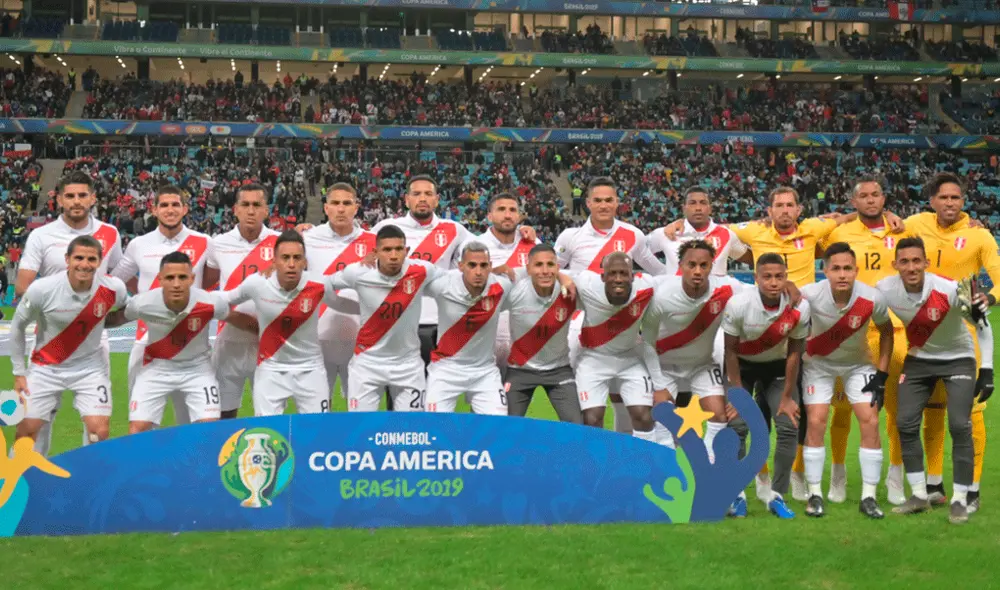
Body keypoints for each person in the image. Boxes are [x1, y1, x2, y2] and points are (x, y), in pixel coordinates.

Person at [900, 172, 1000, 512]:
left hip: (963, 337)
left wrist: (991, 297)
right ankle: (933, 484)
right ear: (932, 201)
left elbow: (998, 278)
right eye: (943, 198)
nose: (950, 203)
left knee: (969, 416)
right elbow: (883, 228)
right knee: (932, 412)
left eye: (956, 198)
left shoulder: (980, 236)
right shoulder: (915, 224)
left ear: (963, 201)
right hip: (924, 336)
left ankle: (971, 489)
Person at [876, 237, 993, 525]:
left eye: (917, 261)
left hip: (959, 359)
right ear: (895, 265)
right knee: (904, 422)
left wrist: (987, 370)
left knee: (959, 424)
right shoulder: (884, 289)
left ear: (927, 263)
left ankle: (959, 500)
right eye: (905, 261)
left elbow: (982, 325)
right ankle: (918, 495)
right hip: (919, 360)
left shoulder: (949, 289)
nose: (911, 267)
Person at [14, 171, 123, 456]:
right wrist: (58, 305)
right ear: (59, 199)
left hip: (93, 347)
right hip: (49, 342)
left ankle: (90, 488)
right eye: (70, 196)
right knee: (35, 424)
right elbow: (23, 286)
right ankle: (29, 485)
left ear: (93, 198)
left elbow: (119, 283)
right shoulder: (42, 235)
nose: (76, 201)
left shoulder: (110, 233)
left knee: (98, 430)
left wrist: (96, 315)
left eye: (82, 195)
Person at [820, 176, 912, 505]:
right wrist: (840, 218)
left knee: (895, 408)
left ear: (884, 198)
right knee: (842, 408)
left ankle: (896, 475)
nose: (871, 200)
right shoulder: (837, 232)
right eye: (864, 196)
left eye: (876, 195)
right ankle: (839, 473)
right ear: (853, 201)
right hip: (851, 330)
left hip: (893, 330)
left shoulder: (903, 230)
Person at [555, 177, 665, 435]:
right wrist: (564, 277)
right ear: (588, 203)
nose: (603, 205)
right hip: (581, 325)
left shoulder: (633, 235)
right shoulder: (571, 236)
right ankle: (579, 453)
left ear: (617, 203)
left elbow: (659, 271)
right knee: (576, 398)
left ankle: (623, 455)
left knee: (622, 398)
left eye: (609, 200)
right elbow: (551, 269)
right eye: (598, 200)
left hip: (623, 322)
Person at [800, 243, 894, 519]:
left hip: (858, 365)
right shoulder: (810, 295)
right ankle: (815, 493)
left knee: (871, 420)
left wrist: (882, 373)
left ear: (856, 270)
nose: (842, 274)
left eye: (848, 269)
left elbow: (887, 333)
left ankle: (868, 496)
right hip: (817, 364)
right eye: (836, 269)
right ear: (825, 271)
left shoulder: (872, 298)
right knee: (816, 420)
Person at [10, 235, 129, 447]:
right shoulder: (42, 289)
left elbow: (127, 310)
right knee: (26, 431)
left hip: (90, 368)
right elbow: (18, 326)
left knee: (99, 432)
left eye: (91, 259)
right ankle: (23, 478)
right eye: (79, 258)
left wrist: (102, 322)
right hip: (45, 367)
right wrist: (19, 372)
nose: (85, 264)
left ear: (100, 262)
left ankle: (90, 477)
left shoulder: (113, 288)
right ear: (67, 259)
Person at [224, 230, 356, 417]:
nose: (291, 264)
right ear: (274, 261)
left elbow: (340, 303)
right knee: (267, 433)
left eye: (297, 258)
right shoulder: (257, 284)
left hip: (311, 370)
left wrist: (373, 309)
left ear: (305, 262)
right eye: (285, 258)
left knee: (316, 432)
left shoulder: (317, 284)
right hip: (271, 370)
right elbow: (225, 299)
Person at [112, 184, 211, 427]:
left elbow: (215, 278)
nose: (170, 210)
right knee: (142, 425)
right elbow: (115, 280)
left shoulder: (205, 242)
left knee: (190, 425)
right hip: (146, 343)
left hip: (191, 344)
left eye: (175, 204)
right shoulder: (139, 245)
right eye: (164, 205)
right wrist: (143, 297)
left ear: (185, 209)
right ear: (154, 210)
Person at [642, 240, 751, 460]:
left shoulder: (727, 289)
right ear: (680, 265)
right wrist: (658, 384)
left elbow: (760, 291)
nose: (698, 271)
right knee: (662, 417)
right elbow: (647, 343)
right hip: (665, 366)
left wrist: (789, 287)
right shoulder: (662, 296)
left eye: (704, 265)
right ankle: (667, 466)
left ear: (713, 266)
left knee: (719, 416)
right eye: (691, 265)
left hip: (702, 365)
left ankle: (708, 465)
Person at [722, 253, 811, 519]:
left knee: (787, 425)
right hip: (743, 367)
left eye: (779, 276)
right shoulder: (738, 304)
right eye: (767, 276)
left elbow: (795, 353)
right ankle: (736, 496)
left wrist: (786, 397)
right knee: (736, 426)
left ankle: (777, 496)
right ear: (756, 278)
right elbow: (730, 352)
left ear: (786, 278)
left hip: (777, 368)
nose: (773, 282)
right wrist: (738, 396)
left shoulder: (799, 307)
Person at [118, 252, 237, 433]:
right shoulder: (143, 303)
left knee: (209, 430)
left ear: (192, 278)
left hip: (198, 369)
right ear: (160, 279)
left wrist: (263, 330)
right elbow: (115, 318)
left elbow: (239, 319)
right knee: (137, 430)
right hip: (156, 368)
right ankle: (152, 462)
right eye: (170, 277)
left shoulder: (210, 302)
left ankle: (197, 461)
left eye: (182, 277)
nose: (176, 284)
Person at [371, 176, 476, 375]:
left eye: (428, 194)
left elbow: (485, 250)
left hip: (437, 322)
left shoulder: (454, 230)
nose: (422, 198)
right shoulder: (386, 228)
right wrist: (307, 230)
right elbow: (354, 246)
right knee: (397, 389)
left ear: (437, 199)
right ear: (406, 199)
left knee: (436, 389)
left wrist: (521, 233)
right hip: (394, 321)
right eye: (416, 194)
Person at [327, 225, 437, 413]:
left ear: (407, 251)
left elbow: (451, 284)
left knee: (409, 432)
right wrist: (347, 307)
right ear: (376, 252)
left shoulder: (422, 271)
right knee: (361, 430)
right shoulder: (358, 272)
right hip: (367, 365)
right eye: (387, 250)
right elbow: (326, 284)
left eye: (398, 249)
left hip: (408, 366)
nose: (393, 255)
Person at [202, 183, 281, 419]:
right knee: (223, 417)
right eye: (245, 205)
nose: (250, 210)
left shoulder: (282, 243)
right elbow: (208, 284)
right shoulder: (218, 244)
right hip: (229, 344)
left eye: (257, 205)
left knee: (270, 418)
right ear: (235, 209)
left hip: (268, 345)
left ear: (267, 210)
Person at [572, 252, 658, 443]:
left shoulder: (647, 287)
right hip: (593, 359)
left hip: (630, 358)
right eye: (612, 273)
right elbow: (559, 275)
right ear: (602, 276)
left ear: (632, 276)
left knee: (644, 416)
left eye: (623, 273)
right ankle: (597, 466)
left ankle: (643, 465)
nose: (618, 279)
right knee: (591, 419)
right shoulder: (586, 283)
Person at [303, 183, 376, 401]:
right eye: (335, 203)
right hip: (316, 340)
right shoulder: (307, 239)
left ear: (356, 207)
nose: (341, 209)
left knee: (357, 413)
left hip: (360, 341)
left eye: (347, 203)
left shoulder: (374, 243)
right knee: (317, 412)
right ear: (326, 208)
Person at [423, 242, 512, 415]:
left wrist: (563, 278)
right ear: (460, 266)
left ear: (490, 267)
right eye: (472, 265)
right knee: (435, 427)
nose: (478, 272)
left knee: (497, 427)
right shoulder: (443, 285)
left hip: (484, 372)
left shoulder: (502, 286)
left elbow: (530, 276)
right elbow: (409, 279)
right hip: (445, 369)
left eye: (483, 265)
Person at [503, 244, 582, 424]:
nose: (545, 271)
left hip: (559, 370)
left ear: (558, 267)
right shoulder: (515, 291)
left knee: (577, 426)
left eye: (550, 265)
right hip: (519, 371)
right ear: (528, 268)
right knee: (504, 428)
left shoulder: (572, 290)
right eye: (538, 265)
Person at [477, 193, 539, 379]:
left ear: (519, 216)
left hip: (522, 330)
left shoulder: (533, 244)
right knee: (483, 396)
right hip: (485, 329)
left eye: (513, 210)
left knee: (515, 397)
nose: (507, 215)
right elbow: (462, 284)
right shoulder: (476, 245)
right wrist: (494, 271)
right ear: (489, 216)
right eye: (501, 209)